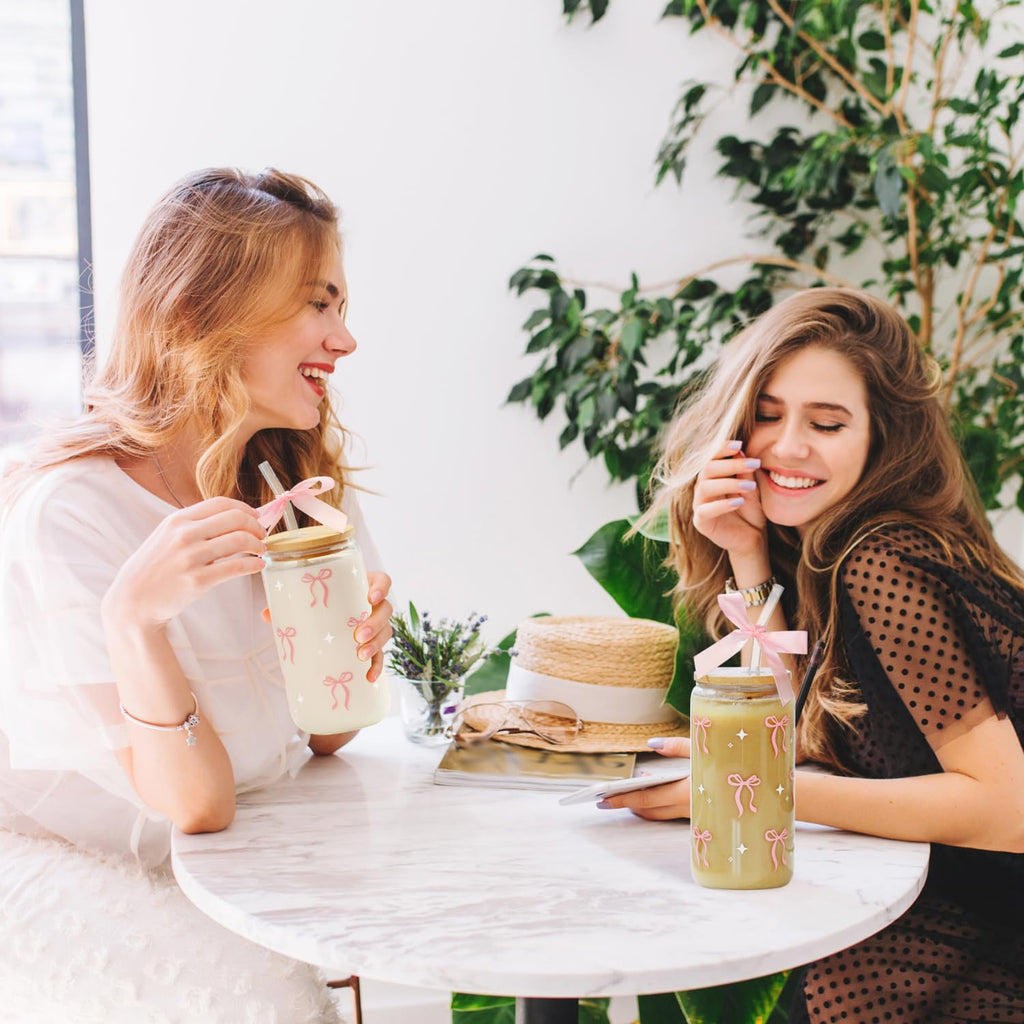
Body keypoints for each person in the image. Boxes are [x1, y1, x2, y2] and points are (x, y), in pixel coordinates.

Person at [0, 167, 393, 1022]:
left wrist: (351, 646)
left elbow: (329, 736)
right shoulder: (73, 511)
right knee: (268, 1003)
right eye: (317, 304)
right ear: (197, 312)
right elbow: (198, 803)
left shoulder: (294, 480)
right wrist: (133, 621)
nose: (346, 338)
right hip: (68, 863)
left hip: (221, 849)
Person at [600, 289, 1024, 1024]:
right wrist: (745, 552)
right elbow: (798, 732)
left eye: (827, 423)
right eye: (766, 414)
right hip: (943, 913)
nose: (787, 446)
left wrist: (752, 788)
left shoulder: (884, 560)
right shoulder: (829, 552)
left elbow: (1007, 808)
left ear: (881, 438)